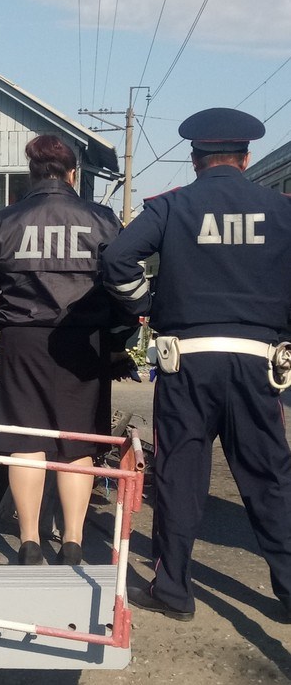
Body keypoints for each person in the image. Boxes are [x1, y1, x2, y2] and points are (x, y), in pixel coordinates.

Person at [101, 107, 291, 623]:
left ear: (194, 159)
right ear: (247, 158)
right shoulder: (280, 208)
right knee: (270, 477)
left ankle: (173, 590)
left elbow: (117, 259)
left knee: (181, 475)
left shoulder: (172, 207)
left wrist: (144, 304)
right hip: (258, 363)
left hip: (187, 363)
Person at [0, 134, 125, 566]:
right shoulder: (103, 220)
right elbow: (124, 284)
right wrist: (118, 342)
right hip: (84, 343)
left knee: (27, 443)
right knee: (78, 445)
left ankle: (29, 543)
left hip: (22, 342)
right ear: (73, 174)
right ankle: (72, 543)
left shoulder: (3, 221)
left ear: (31, 174)